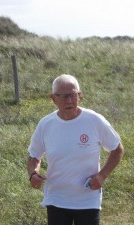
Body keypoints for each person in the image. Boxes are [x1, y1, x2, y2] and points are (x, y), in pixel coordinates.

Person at [27, 74, 124, 225]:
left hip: (87, 198)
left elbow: (117, 149)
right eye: (64, 96)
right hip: (56, 198)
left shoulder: (94, 120)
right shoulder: (46, 124)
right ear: (53, 99)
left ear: (80, 96)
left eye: (73, 95)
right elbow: (34, 156)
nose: (70, 101)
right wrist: (33, 173)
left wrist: (101, 176)